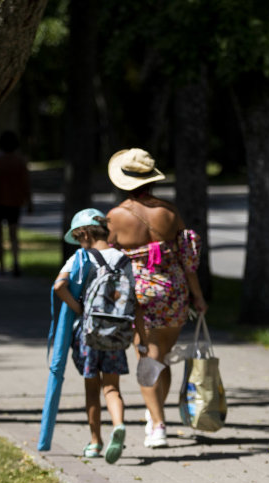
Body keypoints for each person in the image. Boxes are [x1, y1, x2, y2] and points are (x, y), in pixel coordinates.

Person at [105, 148, 208, 448]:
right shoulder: (170, 212)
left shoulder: (115, 217)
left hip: (139, 296)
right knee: (160, 357)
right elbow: (188, 262)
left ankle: (158, 424)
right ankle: (155, 416)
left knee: (147, 360)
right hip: (174, 292)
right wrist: (197, 297)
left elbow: (109, 261)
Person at [53, 208, 150, 464]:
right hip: (117, 334)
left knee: (91, 388)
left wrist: (79, 308)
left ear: (84, 233)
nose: (78, 242)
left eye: (77, 237)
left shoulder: (81, 258)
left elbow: (59, 286)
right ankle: (118, 424)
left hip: (89, 334)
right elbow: (136, 303)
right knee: (112, 388)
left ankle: (95, 442)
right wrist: (142, 339)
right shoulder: (123, 259)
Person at [0, 130, 30, 276]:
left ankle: (1, 266)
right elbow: (26, 183)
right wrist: (29, 202)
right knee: (13, 235)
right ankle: (15, 262)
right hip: (14, 201)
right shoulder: (20, 160)